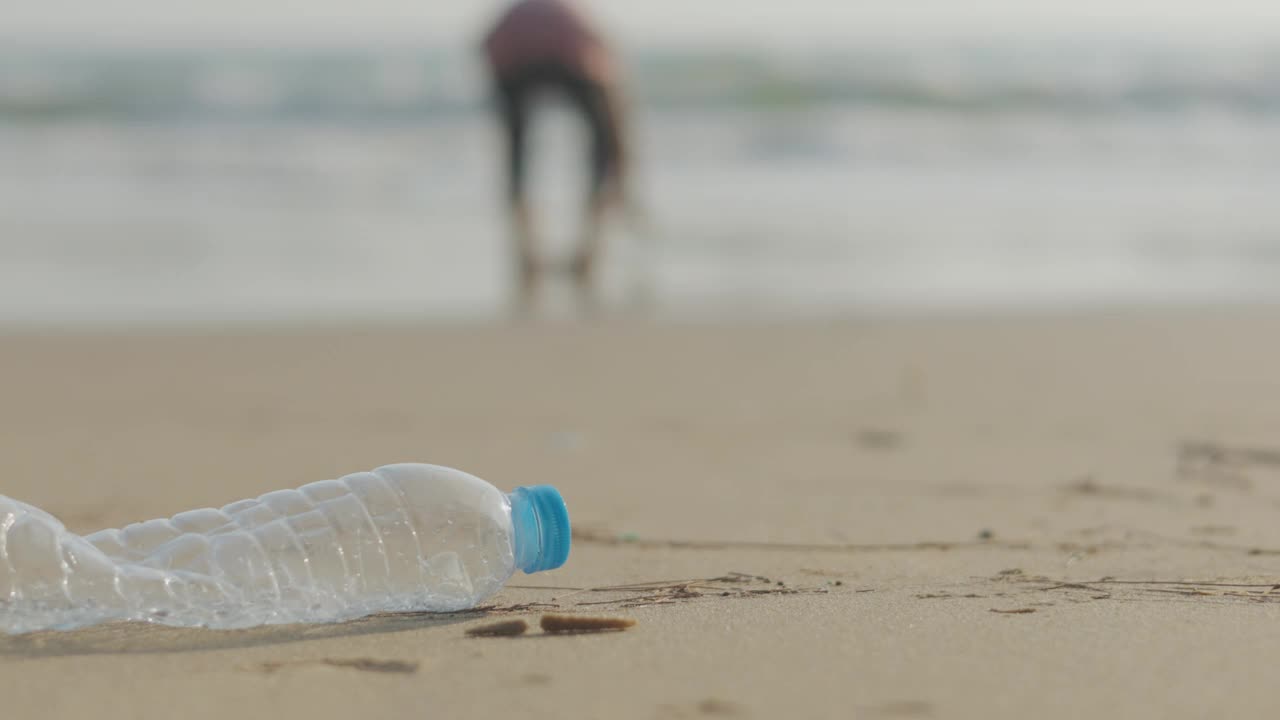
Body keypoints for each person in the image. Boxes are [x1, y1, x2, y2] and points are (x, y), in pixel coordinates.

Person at [481, 0, 629, 297]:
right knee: (604, 150)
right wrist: (622, 153)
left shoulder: (517, 15)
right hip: (571, 57)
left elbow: (486, 47)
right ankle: (590, 249)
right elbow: (608, 64)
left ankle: (527, 254)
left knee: (516, 159)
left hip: (512, 61)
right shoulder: (572, 15)